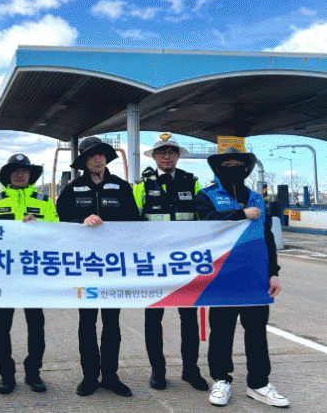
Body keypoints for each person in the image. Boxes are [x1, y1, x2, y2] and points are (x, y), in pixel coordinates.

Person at [197, 147, 288, 408]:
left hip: (255, 277)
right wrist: (240, 214)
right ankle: (221, 380)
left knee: (257, 331)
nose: (232, 167)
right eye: (227, 164)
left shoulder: (257, 198)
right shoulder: (206, 195)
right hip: (222, 276)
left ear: (246, 168)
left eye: (237, 163)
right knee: (221, 331)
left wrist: (273, 272)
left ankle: (258, 383)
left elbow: (267, 237)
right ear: (218, 168)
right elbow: (206, 223)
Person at [56, 137, 141, 398]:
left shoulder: (122, 186)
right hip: (85, 266)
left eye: (101, 155)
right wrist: (82, 220)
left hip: (114, 266)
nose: (97, 159)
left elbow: (135, 220)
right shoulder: (72, 188)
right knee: (87, 323)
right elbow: (61, 222)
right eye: (92, 156)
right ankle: (90, 376)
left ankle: (111, 376)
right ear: (84, 161)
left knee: (112, 323)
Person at [133, 133, 208, 391]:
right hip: (154, 265)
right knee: (153, 320)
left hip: (184, 264)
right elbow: (130, 223)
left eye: (171, 152)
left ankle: (191, 370)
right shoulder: (141, 186)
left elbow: (205, 219)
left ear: (178, 156)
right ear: (154, 157)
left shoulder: (193, 183)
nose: (167, 156)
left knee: (189, 320)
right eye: (162, 152)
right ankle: (158, 370)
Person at [0, 154, 59, 395]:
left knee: (36, 324)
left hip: (33, 272)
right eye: (15, 171)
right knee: (2, 325)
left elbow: (57, 232)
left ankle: (33, 372)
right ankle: (6, 374)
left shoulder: (44, 201)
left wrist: (38, 224)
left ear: (30, 175)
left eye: (24, 171)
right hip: (4, 271)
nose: (20, 174)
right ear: (8, 175)